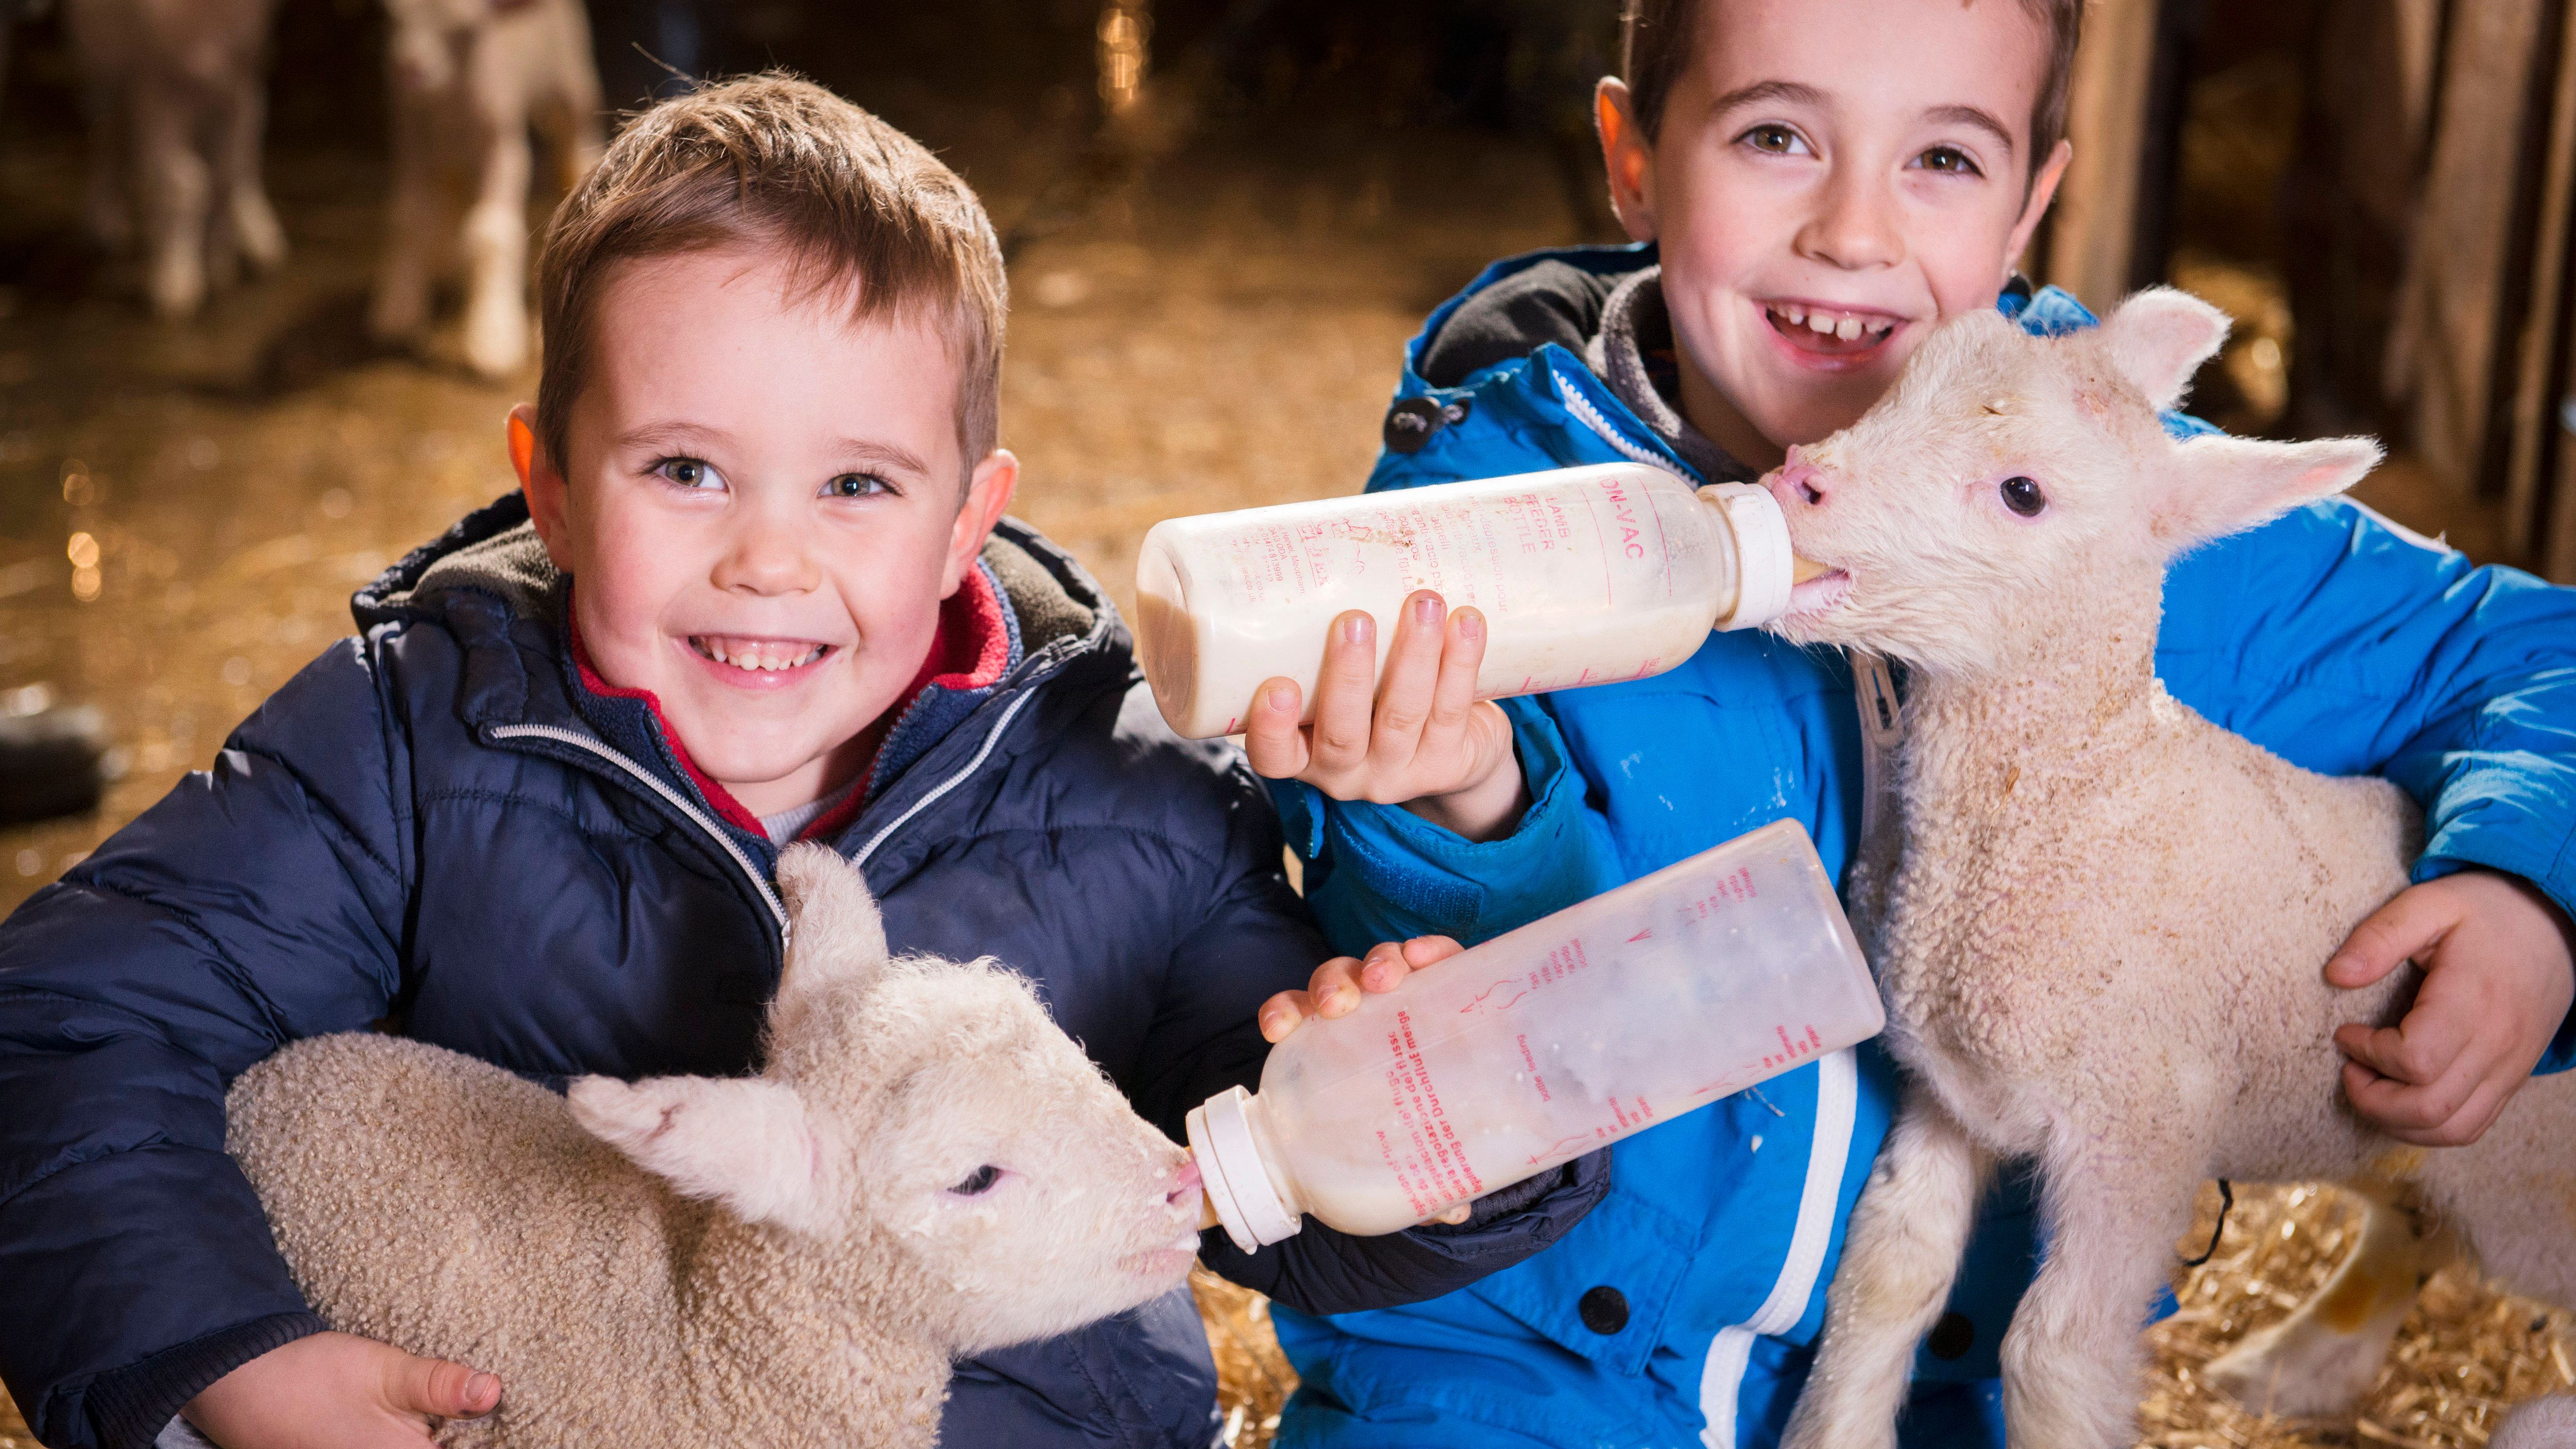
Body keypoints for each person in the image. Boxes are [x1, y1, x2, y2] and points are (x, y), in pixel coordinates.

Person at [0, 74, 1609, 1449]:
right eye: (687, 469)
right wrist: (216, 1361)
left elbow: (1274, 1174)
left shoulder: (1128, 799)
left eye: (856, 485)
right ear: (550, 488)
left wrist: (1446, 1137)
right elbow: (71, 1019)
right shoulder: (414, 738)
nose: (770, 559)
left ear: (971, 514)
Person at [1239, 2, 2576, 1446]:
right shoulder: (1483, 537)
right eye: (1775, 136)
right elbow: (1419, 1020)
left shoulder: (2110, 504)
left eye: (1942, 159)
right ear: (1632, 156)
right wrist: (1455, 812)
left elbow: (2541, 660)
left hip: (1936, 1381)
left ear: (2030, 209)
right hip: (1524, 1363)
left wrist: (2527, 892)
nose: (1854, 231)